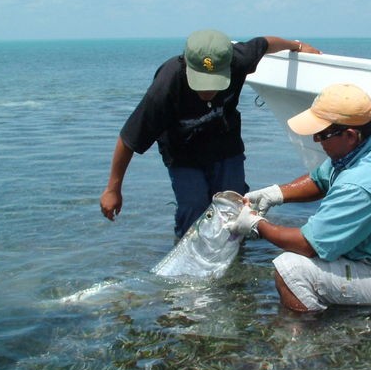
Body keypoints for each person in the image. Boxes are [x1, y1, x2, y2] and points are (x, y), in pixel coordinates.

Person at [230, 83, 371, 313]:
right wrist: (276, 194)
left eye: (322, 134)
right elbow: (320, 179)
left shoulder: (362, 184)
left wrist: (257, 225)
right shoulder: (370, 141)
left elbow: (307, 246)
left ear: (350, 135)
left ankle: (308, 336)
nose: (316, 139)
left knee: (291, 269)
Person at [100, 29, 320, 238]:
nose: (207, 91)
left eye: (214, 83)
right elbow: (128, 140)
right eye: (200, 83)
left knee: (233, 206)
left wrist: (298, 46)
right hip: (182, 151)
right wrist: (113, 189)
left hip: (225, 144)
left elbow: (264, 43)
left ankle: (236, 254)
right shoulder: (165, 87)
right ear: (186, 66)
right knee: (194, 208)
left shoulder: (239, 59)